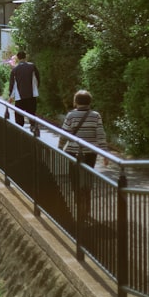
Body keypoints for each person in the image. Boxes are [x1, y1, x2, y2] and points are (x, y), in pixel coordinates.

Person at [59, 90, 107, 226]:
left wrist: (59, 147)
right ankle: (86, 206)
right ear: (90, 102)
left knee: (74, 179)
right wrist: (104, 153)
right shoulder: (95, 116)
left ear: (75, 102)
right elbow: (100, 134)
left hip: (73, 152)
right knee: (87, 178)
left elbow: (64, 134)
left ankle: (79, 205)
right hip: (90, 153)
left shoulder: (71, 115)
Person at [8, 50, 39, 131]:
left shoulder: (14, 70)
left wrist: (11, 96)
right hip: (31, 95)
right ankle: (33, 128)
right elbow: (37, 79)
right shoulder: (32, 67)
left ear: (17, 58)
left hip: (19, 97)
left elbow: (12, 85)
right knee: (31, 113)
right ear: (26, 57)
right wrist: (36, 89)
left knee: (19, 116)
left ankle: (19, 131)